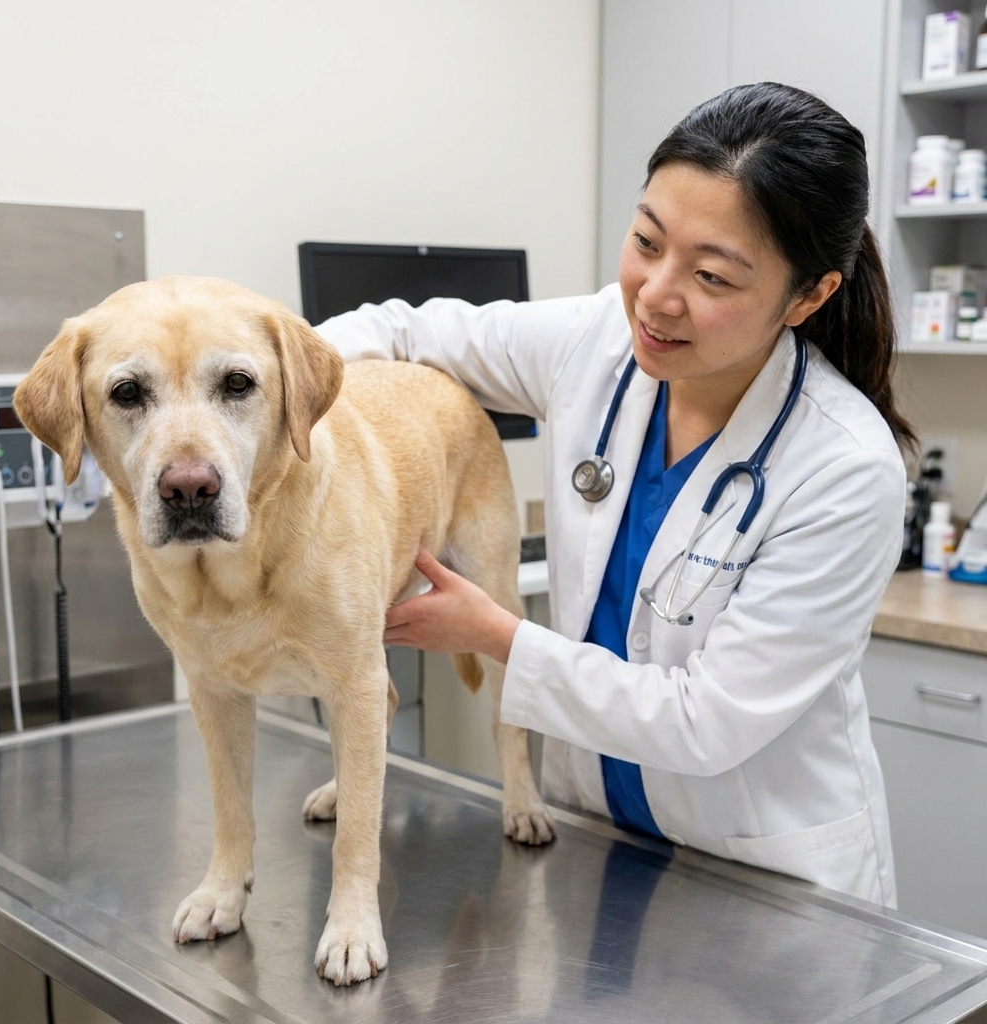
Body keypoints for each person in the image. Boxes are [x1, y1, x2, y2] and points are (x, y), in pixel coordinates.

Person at [317, 82, 912, 906]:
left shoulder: (845, 470)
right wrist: (272, 392)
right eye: (645, 240)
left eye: (711, 275)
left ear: (808, 296)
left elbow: (707, 721)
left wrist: (496, 635)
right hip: (598, 840)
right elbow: (403, 330)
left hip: (765, 879)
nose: (655, 295)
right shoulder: (598, 342)